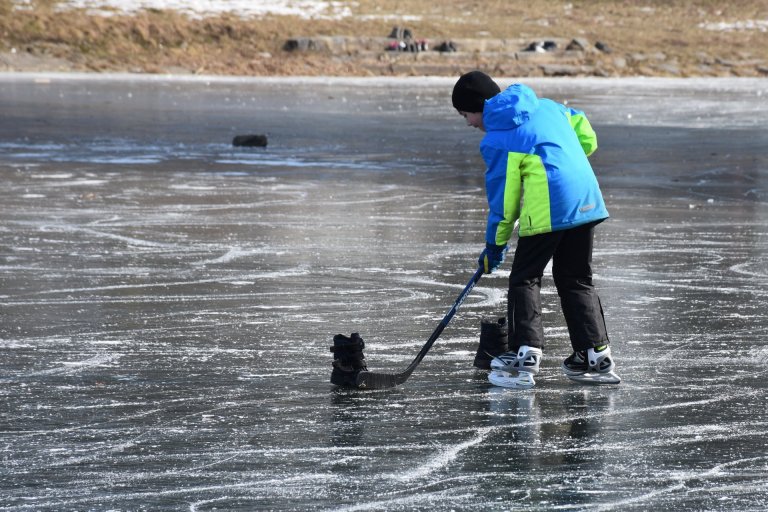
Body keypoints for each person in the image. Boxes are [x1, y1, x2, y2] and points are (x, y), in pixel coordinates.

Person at [451, 70, 620, 388]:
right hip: (586, 198)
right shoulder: (548, 107)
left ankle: (525, 353)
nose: (469, 123)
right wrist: (564, 160)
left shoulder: (497, 139)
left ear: (479, 106)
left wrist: (494, 246)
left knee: (524, 278)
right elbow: (586, 135)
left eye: (467, 115)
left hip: (550, 207)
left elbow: (504, 203)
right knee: (576, 279)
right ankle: (595, 354)